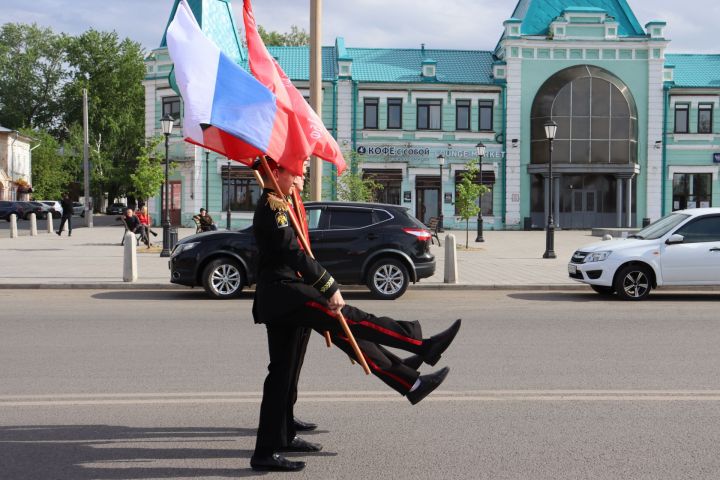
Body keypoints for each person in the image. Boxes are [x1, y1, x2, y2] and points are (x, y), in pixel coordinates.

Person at [250, 159, 461, 472]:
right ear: (276, 173)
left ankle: (278, 438)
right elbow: (292, 254)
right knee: (351, 319)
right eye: (296, 170)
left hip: (283, 295)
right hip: (286, 295)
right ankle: (418, 343)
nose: (302, 175)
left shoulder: (280, 203)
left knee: (284, 372)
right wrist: (328, 284)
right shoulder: (272, 209)